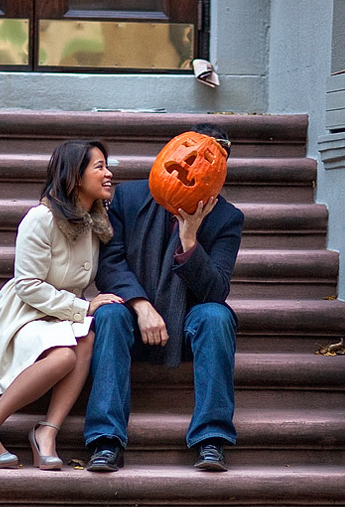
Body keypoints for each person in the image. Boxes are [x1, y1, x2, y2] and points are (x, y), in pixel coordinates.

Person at [83, 124, 244, 473]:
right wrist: (140, 306)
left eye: (211, 162)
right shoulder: (128, 198)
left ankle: (211, 439)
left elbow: (216, 290)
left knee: (216, 316)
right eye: (189, 157)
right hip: (134, 316)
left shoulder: (228, 218)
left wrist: (189, 239)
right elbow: (109, 264)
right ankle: (105, 440)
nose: (196, 168)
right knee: (109, 315)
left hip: (188, 324)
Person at [0, 139, 124, 470]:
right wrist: (84, 308)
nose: (109, 174)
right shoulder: (40, 218)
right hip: (26, 314)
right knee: (64, 356)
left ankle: (46, 432)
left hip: (59, 315)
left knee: (87, 340)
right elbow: (28, 286)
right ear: (75, 176)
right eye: (99, 167)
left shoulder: (94, 221)